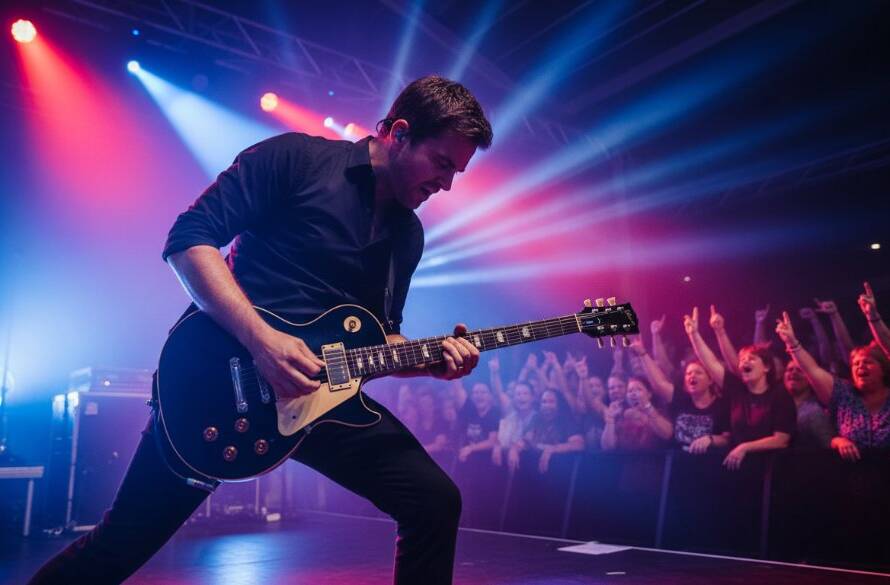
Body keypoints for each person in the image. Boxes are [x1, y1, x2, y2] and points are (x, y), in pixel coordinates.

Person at [29, 75, 493, 585]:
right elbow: (188, 241)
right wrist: (261, 341)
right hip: (222, 384)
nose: (446, 184)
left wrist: (430, 362)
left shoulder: (408, 235)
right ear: (399, 133)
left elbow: (382, 338)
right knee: (121, 546)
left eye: (457, 173)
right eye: (443, 164)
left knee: (434, 501)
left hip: (323, 401)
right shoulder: (297, 160)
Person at [684, 306, 796, 470]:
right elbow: (710, 362)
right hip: (738, 466)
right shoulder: (737, 390)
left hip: (771, 470)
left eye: (751, 359)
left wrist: (745, 447)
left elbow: (781, 439)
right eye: (742, 359)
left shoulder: (779, 395)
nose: (744, 362)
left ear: (766, 367)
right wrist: (693, 335)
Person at [777, 311, 890, 460]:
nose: (860, 366)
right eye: (856, 364)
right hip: (854, 478)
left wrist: (873, 317)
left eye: (867, 362)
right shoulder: (844, 394)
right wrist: (792, 342)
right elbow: (812, 370)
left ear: (883, 369)